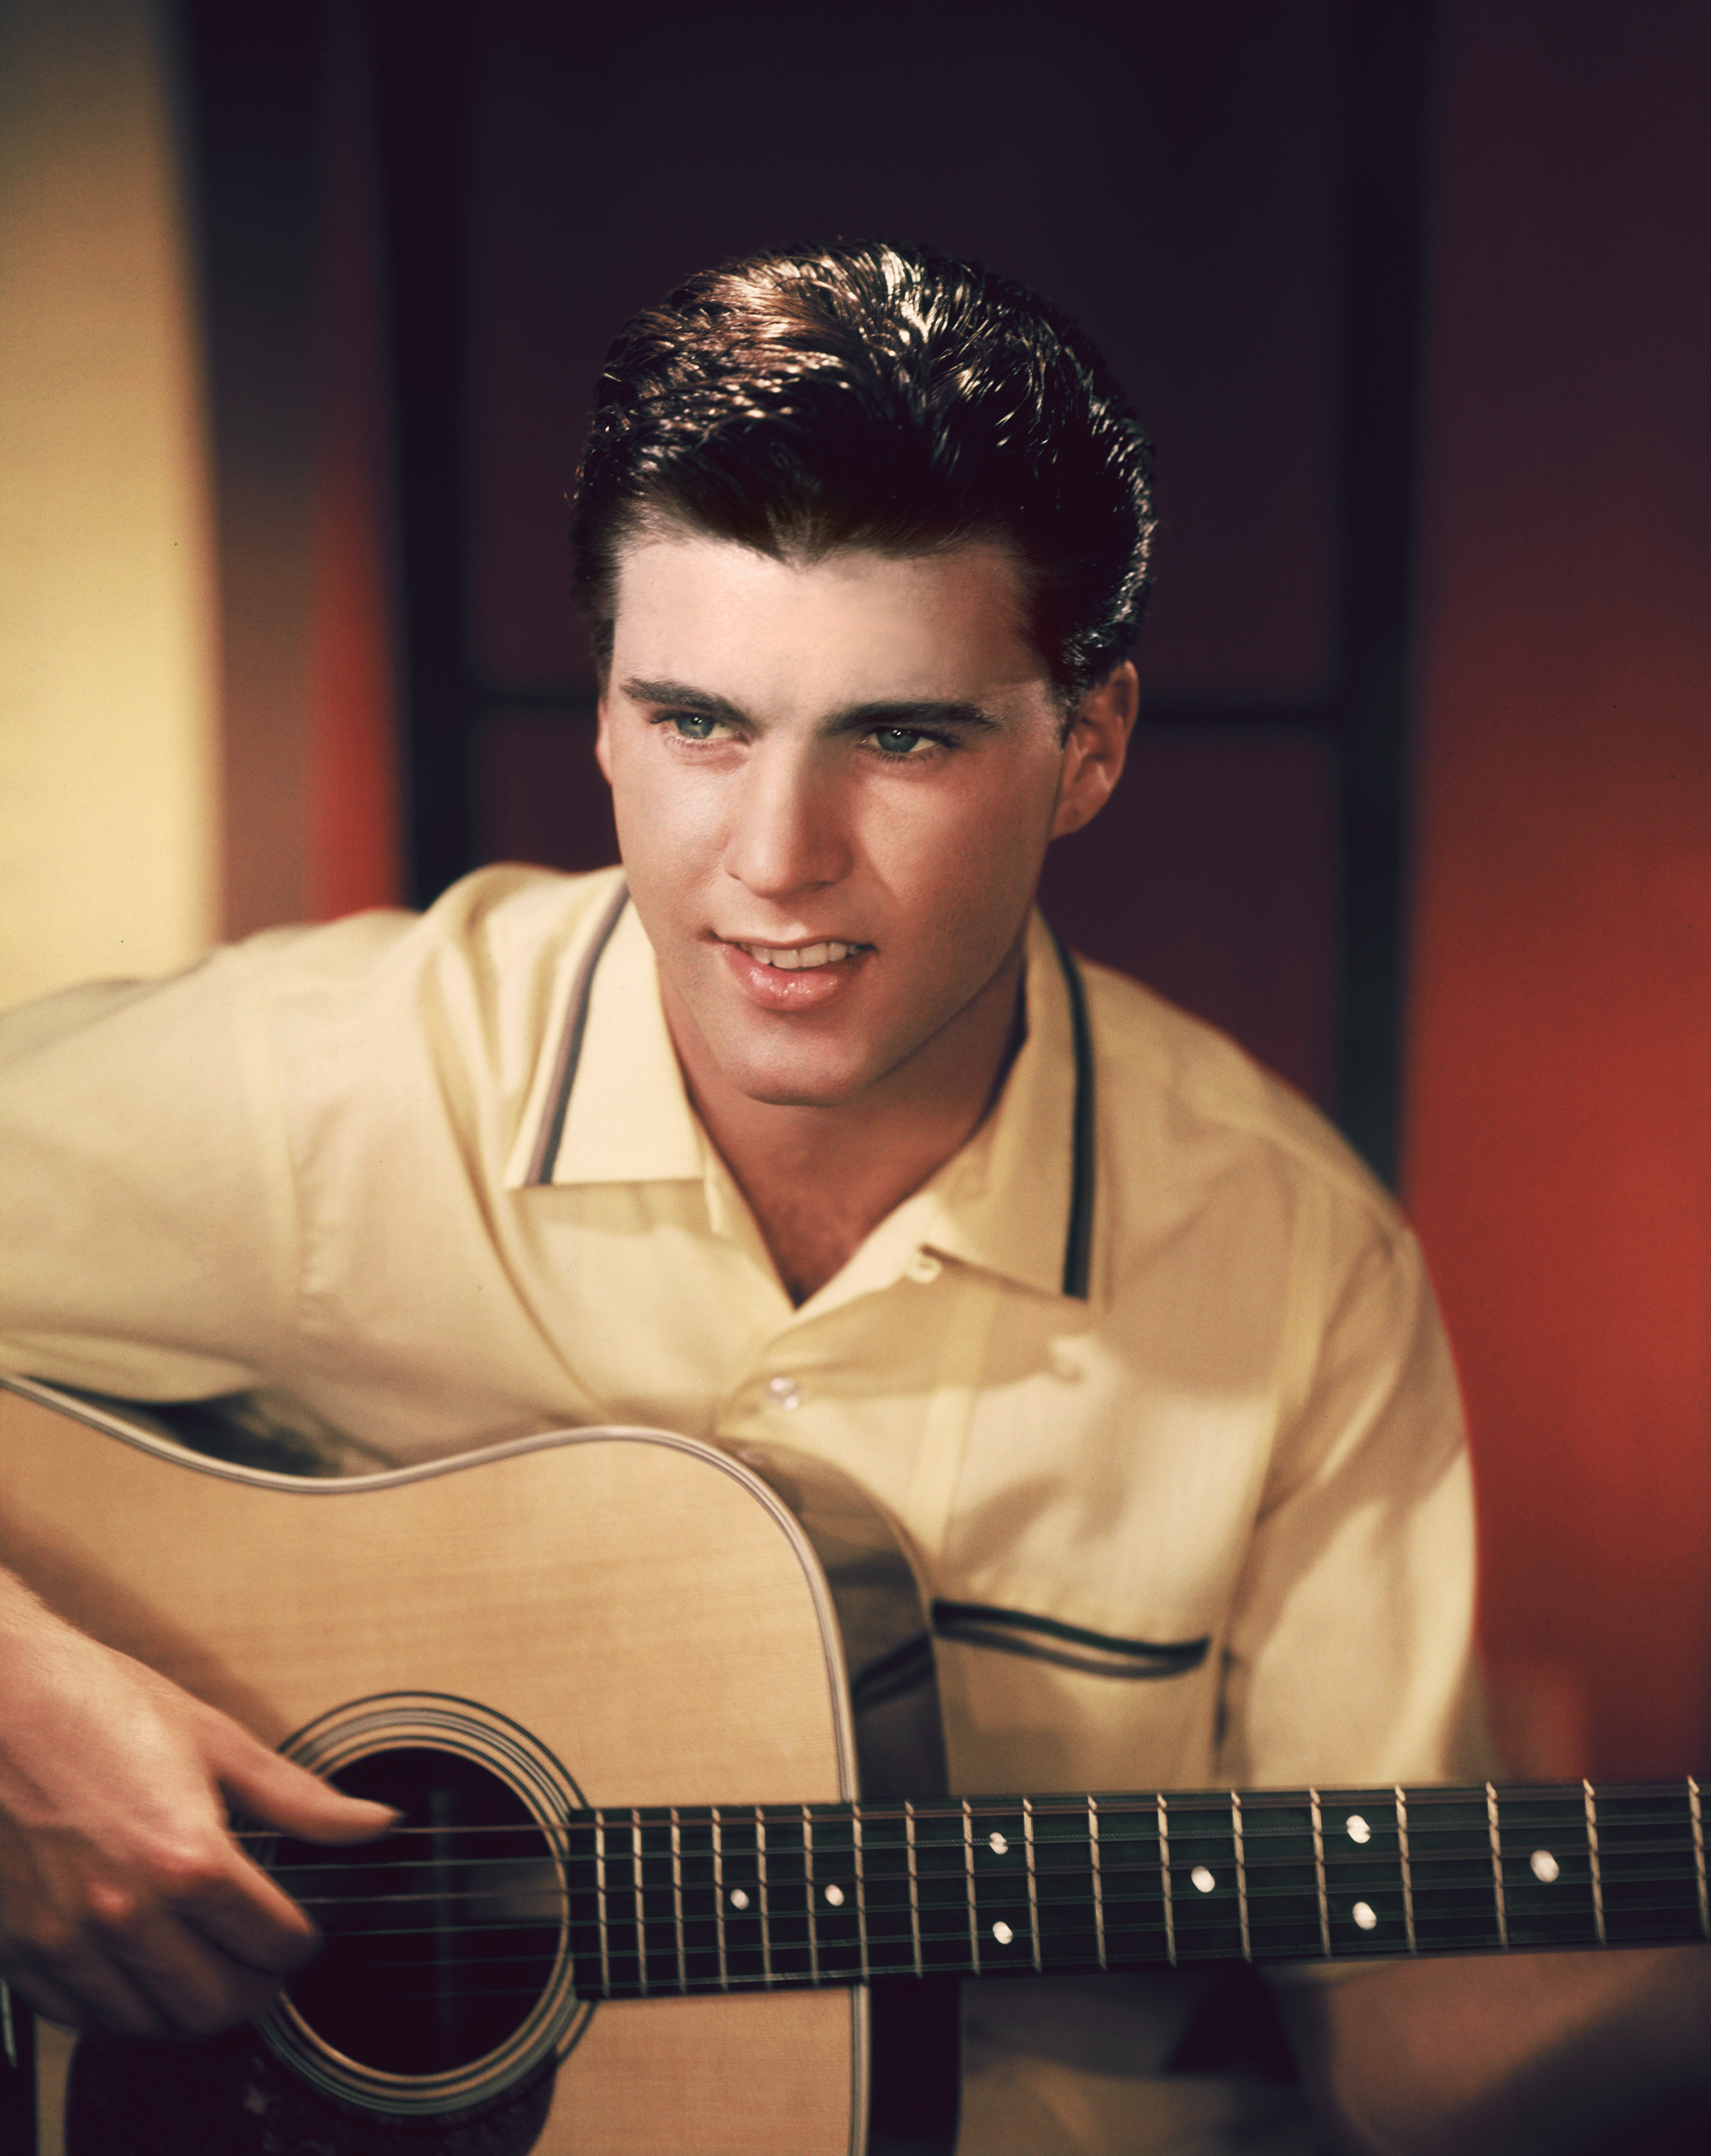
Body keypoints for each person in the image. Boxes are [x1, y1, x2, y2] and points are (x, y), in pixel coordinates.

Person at [1, 241, 1705, 2153]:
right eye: (697, 722)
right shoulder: (325, 1095)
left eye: (902, 736)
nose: (775, 858)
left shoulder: (1294, 1265)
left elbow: (1404, 2036)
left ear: (1092, 746)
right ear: (602, 715)